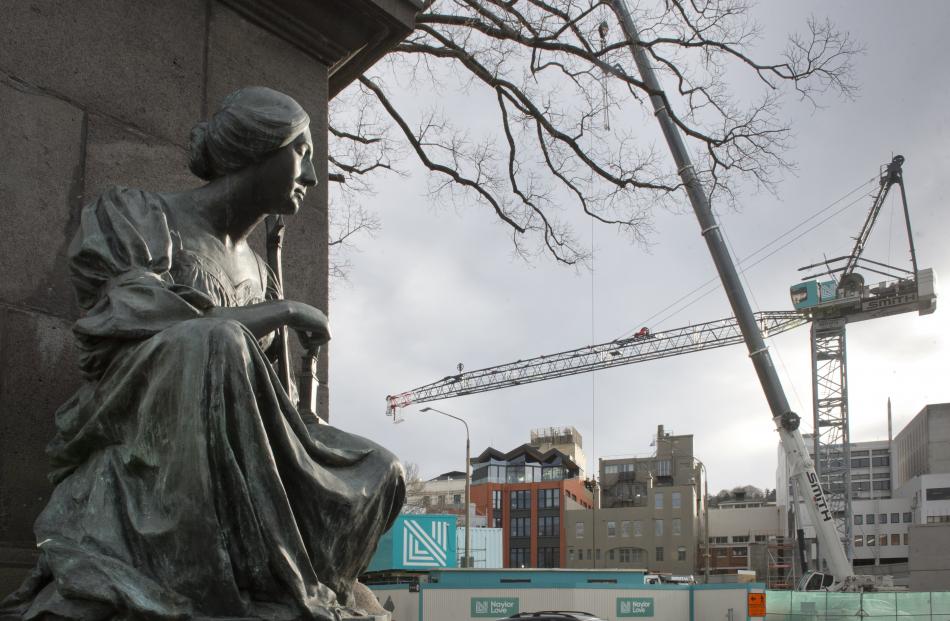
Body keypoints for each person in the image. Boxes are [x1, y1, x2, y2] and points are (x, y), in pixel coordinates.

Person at [0, 87, 405, 621]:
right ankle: (205, 584)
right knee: (216, 342)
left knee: (384, 468)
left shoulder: (261, 275)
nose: (310, 177)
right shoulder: (137, 216)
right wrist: (281, 313)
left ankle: (296, 584)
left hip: (226, 431)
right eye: (302, 152)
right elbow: (132, 316)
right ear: (258, 148)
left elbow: (270, 407)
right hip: (136, 405)